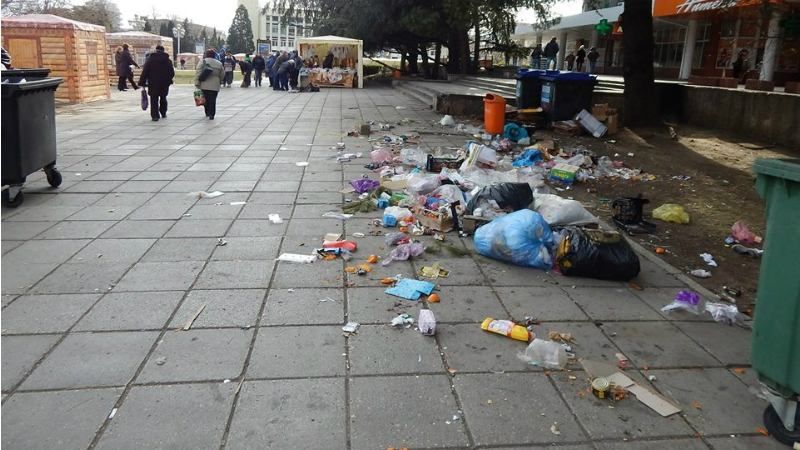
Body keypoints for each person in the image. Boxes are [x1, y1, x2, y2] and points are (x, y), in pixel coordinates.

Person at [138, 45, 175, 122]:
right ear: (163, 50)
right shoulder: (168, 61)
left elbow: (145, 71)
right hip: (164, 83)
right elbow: (172, 72)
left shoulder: (150, 59)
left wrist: (142, 81)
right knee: (163, 97)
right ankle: (163, 112)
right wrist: (168, 79)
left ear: (156, 50)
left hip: (153, 82)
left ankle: (155, 116)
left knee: (154, 99)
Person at [195, 48, 225, 120]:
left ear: (206, 55)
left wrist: (197, 82)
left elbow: (198, 73)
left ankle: (207, 112)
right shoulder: (219, 63)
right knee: (213, 100)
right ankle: (212, 114)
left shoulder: (202, 62)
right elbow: (222, 74)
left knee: (205, 99)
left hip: (204, 84)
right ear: (214, 55)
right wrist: (220, 81)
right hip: (215, 84)